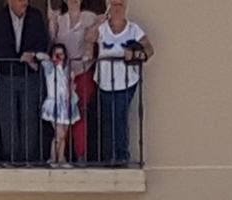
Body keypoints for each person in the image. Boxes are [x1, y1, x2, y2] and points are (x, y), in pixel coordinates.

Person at [90, 0, 152, 165]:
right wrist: (97, 23)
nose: (117, 8)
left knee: (120, 117)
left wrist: (135, 55)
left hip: (126, 82)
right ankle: (109, 156)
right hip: (104, 81)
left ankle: (121, 155)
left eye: (120, 5)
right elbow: (88, 39)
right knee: (107, 119)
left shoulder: (133, 29)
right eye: (114, 5)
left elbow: (149, 50)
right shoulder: (102, 28)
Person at [0, 0, 50, 165]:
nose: (25, 2)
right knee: (7, 117)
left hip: (29, 75)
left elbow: (43, 42)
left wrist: (32, 55)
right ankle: (10, 158)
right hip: (5, 75)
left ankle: (28, 159)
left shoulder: (35, 16)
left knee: (29, 117)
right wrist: (19, 59)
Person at [51, 0, 99, 162]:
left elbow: (96, 37)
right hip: (64, 75)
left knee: (80, 114)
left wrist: (90, 43)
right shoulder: (59, 19)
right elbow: (53, 44)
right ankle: (62, 155)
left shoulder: (90, 17)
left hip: (83, 73)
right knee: (64, 116)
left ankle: (81, 155)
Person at [40, 43, 80, 165]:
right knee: (59, 133)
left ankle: (61, 158)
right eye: (56, 54)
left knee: (64, 134)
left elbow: (70, 86)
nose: (59, 56)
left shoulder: (67, 69)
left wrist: (72, 85)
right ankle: (53, 158)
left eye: (61, 54)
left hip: (67, 103)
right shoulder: (49, 67)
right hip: (54, 103)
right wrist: (50, 58)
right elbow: (40, 56)